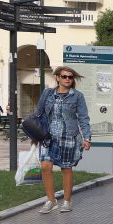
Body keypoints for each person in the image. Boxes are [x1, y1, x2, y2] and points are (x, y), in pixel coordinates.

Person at [36, 66, 91, 214]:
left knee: (66, 168)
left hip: (68, 135)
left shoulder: (77, 96)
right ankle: (51, 200)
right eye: (64, 76)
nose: (67, 79)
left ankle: (67, 201)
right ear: (57, 78)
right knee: (45, 167)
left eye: (70, 77)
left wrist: (87, 137)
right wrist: (35, 135)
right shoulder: (47, 94)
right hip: (48, 136)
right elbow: (39, 114)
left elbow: (83, 118)